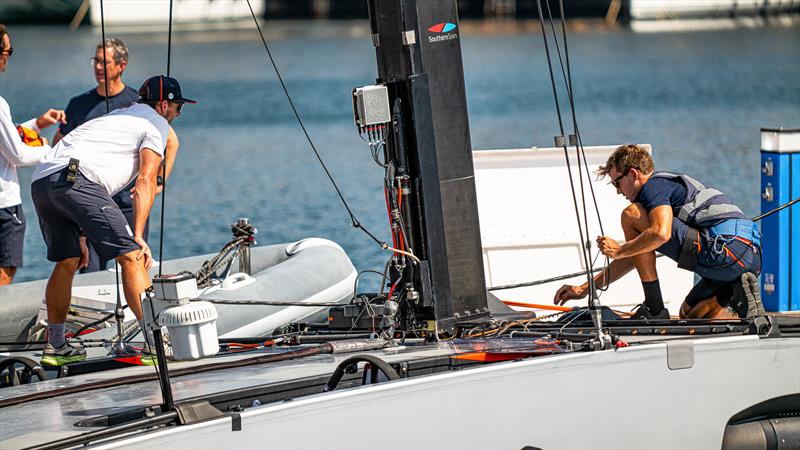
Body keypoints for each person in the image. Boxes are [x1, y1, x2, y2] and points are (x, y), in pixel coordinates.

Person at [30, 75, 194, 365]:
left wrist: (81, 234)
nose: (179, 114)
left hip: (43, 180)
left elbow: (76, 163)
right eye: (178, 107)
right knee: (131, 256)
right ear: (164, 105)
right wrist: (138, 236)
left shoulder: (121, 114)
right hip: (77, 179)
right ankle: (156, 344)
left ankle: (56, 346)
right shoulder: (155, 124)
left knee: (67, 261)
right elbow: (145, 181)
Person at [554, 144, 764, 320]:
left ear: (634, 173)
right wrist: (584, 289)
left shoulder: (654, 186)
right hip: (749, 258)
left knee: (631, 214)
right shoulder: (667, 185)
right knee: (689, 315)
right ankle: (737, 290)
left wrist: (619, 250)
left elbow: (660, 233)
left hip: (726, 249)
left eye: (617, 183)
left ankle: (655, 309)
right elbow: (633, 256)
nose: (618, 191)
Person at [52, 38, 149, 273]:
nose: (97, 67)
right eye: (95, 61)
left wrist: (157, 181)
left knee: (133, 264)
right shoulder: (79, 104)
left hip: (126, 204)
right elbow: (60, 148)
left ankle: (140, 309)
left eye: (104, 62)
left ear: (121, 65)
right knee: (88, 268)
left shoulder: (137, 103)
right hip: (88, 203)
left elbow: (166, 143)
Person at [0, 23, 67, 285]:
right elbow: (16, 155)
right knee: (5, 271)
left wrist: (36, 125)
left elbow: (5, 138)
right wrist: (50, 151)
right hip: (4, 205)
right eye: (9, 50)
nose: (8, 57)